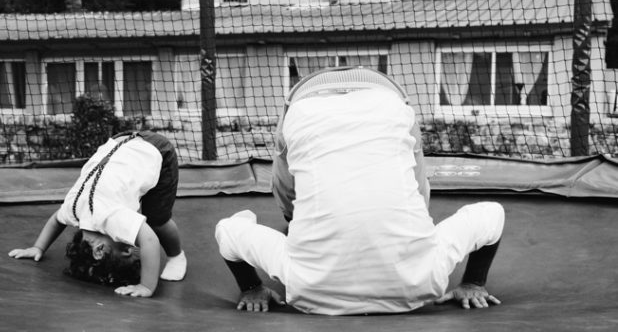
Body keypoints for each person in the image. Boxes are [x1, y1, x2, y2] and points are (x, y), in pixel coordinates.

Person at [215, 66, 504, 315]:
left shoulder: (428, 276)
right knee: (255, 216)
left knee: (289, 188)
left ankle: (291, 215)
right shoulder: (302, 280)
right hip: (322, 103)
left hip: (370, 100)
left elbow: (492, 216)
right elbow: (228, 234)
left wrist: (472, 282)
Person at [9, 130, 187, 298]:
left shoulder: (110, 217)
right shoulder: (74, 211)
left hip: (157, 151)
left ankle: (176, 256)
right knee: (141, 210)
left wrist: (146, 286)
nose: (131, 246)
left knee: (157, 222)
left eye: (126, 250)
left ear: (99, 250)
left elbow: (150, 240)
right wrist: (38, 247)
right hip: (121, 141)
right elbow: (57, 220)